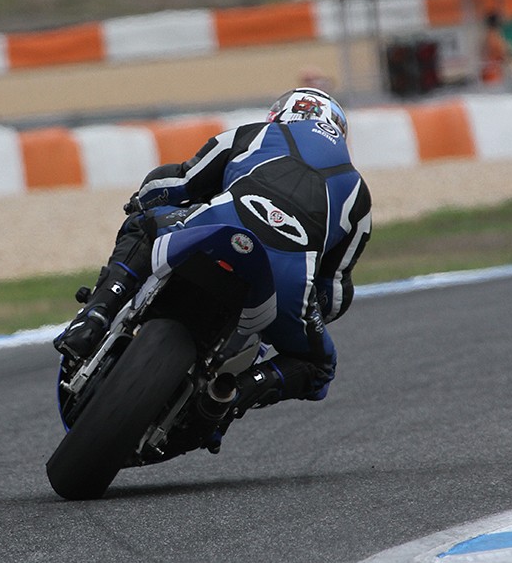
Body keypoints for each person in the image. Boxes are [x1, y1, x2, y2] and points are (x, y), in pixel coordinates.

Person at [53, 88, 373, 415]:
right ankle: (233, 392)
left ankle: (96, 313)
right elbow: (334, 293)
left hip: (216, 227)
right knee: (319, 367)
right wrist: (306, 313)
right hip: (285, 280)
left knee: (142, 223)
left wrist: (139, 202)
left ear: (279, 115)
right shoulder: (359, 197)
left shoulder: (255, 134)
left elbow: (180, 182)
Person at [480, 11, 511, 85]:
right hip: (493, 74)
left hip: (492, 72)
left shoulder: (489, 35)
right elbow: (499, 54)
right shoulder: (493, 36)